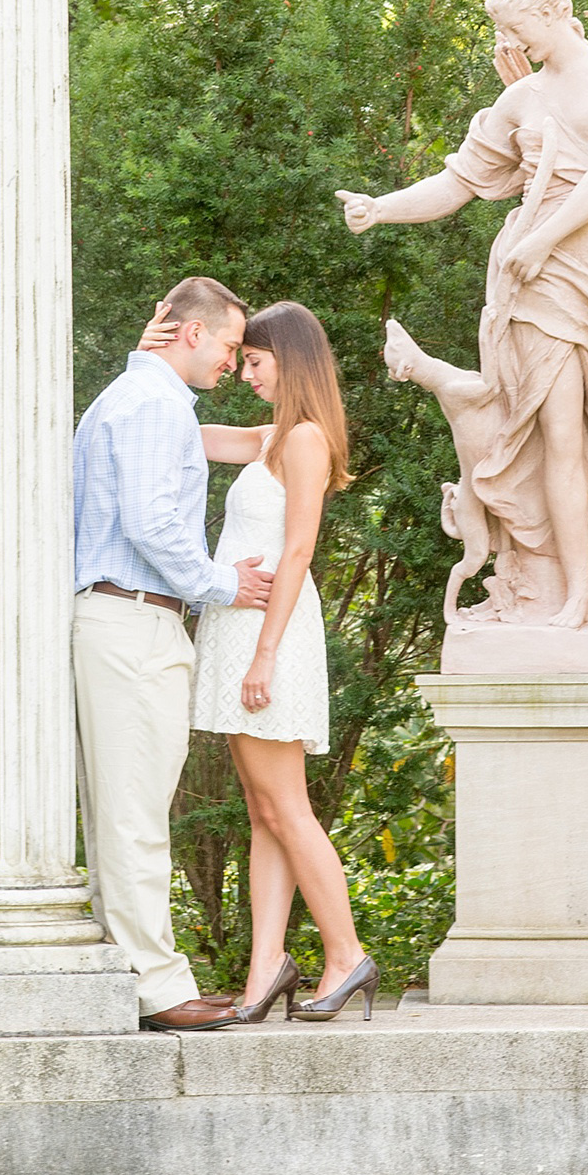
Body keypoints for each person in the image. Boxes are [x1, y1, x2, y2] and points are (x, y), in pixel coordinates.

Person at [337, 0, 588, 630]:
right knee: (557, 435)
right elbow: (456, 184)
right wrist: (380, 207)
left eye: (514, 28)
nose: (511, 44)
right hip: (537, 285)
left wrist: (543, 239)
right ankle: (575, 593)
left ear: (547, 14)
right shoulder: (519, 101)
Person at [141, 296, 378, 1024]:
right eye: (239, 359)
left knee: (287, 808)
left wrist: (266, 657)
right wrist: (151, 358)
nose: (243, 371)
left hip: (271, 637)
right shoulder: (273, 436)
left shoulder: (303, 440)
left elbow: (298, 551)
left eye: (255, 360)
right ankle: (266, 967)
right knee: (265, 811)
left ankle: (345, 955)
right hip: (245, 633)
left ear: (291, 362)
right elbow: (180, 427)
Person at [71, 274, 273, 1033]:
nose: (230, 361)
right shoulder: (154, 403)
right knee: (134, 816)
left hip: (125, 621)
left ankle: (133, 977)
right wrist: (223, 584)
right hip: (134, 620)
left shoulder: (133, 396)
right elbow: (153, 522)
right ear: (191, 334)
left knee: (128, 811)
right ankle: (157, 989)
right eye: (226, 344)